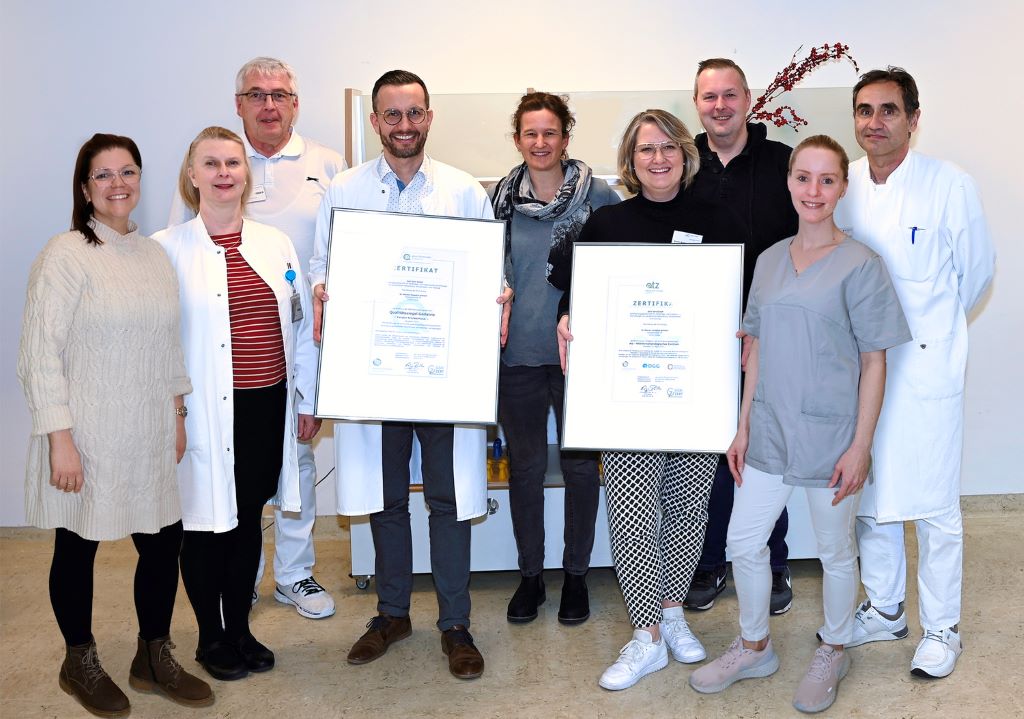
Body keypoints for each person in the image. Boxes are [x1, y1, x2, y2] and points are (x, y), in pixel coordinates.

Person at [689, 135, 911, 713]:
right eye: (803, 178)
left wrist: (861, 446)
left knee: (836, 551)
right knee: (742, 540)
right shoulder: (767, 260)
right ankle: (755, 644)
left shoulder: (861, 265)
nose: (813, 191)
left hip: (832, 435)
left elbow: (874, 359)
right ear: (788, 182)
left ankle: (834, 647)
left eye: (827, 180)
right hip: (768, 430)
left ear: (842, 187)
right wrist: (741, 428)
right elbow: (754, 349)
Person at [309, 69, 508, 680]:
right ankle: (392, 611)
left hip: (443, 379)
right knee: (388, 498)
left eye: (413, 113)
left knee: (447, 500)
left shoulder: (463, 191)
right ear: (374, 122)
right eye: (391, 115)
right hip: (375, 377)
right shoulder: (342, 190)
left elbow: (488, 271)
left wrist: (496, 297)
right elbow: (324, 264)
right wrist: (322, 290)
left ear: (429, 116)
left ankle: (455, 623)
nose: (403, 125)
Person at [17, 133, 212, 717]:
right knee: (77, 546)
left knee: (162, 543)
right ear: (85, 188)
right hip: (86, 435)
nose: (118, 184)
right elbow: (38, 354)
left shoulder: (151, 255)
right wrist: (60, 440)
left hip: (148, 429)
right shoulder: (66, 253)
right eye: (104, 175)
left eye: (128, 172)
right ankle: (78, 660)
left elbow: (167, 345)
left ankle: (153, 654)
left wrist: (177, 414)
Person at [549, 109, 740, 691]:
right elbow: (575, 294)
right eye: (644, 150)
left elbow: (739, 299)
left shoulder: (717, 220)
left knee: (686, 511)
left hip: (695, 393)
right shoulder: (607, 223)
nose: (658, 159)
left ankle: (674, 612)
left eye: (668, 148)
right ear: (630, 162)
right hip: (625, 398)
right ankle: (646, 634)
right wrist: (566, 319)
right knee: (634, 515)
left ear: (686, 154)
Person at [832, 67, 996, 678]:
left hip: (926, 366)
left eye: (889, 110)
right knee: (869, 491)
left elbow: (976, 273)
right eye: (865, 110)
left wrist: (936, 332)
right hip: (861, 367)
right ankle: (884, 608)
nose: (875, 122)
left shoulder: (950, 185)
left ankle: (943, 627)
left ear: (913, 119)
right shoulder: (843, 183)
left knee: (932, 502)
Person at [169, 56, 346, 620]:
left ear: (295, 103)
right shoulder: (212, 167)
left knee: (293, 466)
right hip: (216, 361)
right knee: (222, 479)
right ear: (239, 103)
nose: (269, 104)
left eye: (280, 94)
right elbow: (179, 268)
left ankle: (294, 575)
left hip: (293, 342)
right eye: (256, 94)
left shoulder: (328, 164)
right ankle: (235, 580)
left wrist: (314, 381)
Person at [155, 126, 320, 682]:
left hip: (263, 404)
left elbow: (296, 328)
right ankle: (209, 636)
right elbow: (157, 342)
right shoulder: (168, 249)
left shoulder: (273, 243)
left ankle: (241, 628)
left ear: (245, 174)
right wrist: (172, 412)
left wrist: (305, 395)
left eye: (233, 162)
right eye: (211, 163)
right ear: (192, 175)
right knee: (205, 521)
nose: (224, 172)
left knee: (248, 516)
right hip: (201, 410)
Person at [489, 92, 619, 626]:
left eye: (550, 133)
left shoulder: (600, 199)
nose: (540, 143)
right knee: (523, 471)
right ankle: (530, 577)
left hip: (579, 358)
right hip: (516, 356)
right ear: (517, 139)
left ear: (566, 136)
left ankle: (576, 577)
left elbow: (615, 275)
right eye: (529, 133)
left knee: (581, 470)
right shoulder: (497, 200)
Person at [684, 58, 798, 615]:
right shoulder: (682, 167)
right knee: (710, 455)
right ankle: (709, 564)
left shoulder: (783, 163)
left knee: (763, 454)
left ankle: (773, 565)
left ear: (748, 99)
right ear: (697, 103)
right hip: (702, 339)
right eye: (710, 97)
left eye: (730, 95)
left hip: (771, 337)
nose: (721, 106)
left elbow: (810, 242)